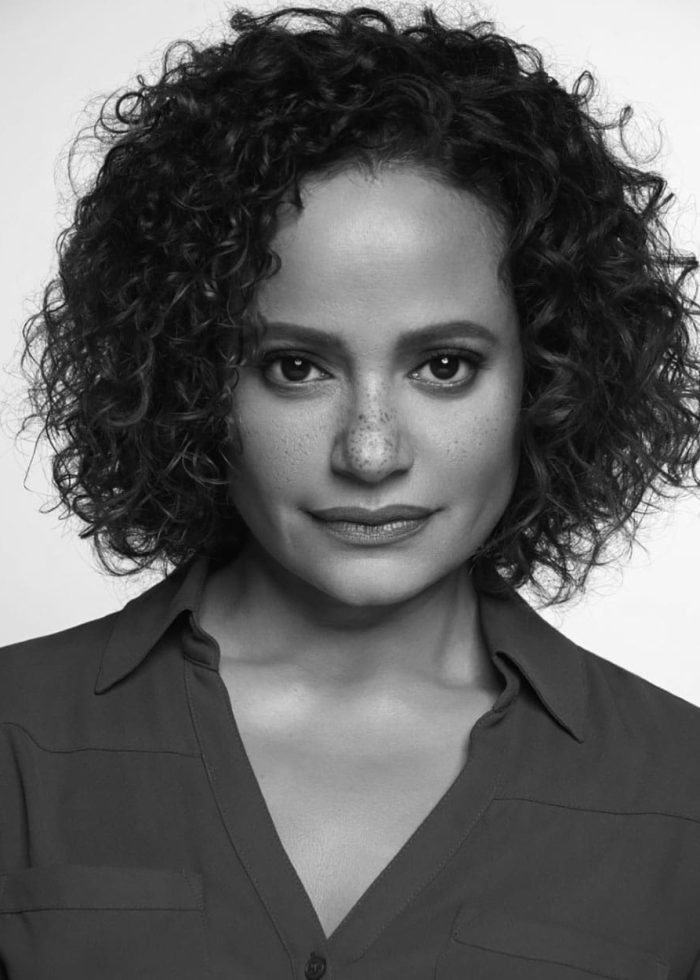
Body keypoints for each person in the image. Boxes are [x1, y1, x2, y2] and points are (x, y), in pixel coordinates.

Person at [3, 3, 700, 977]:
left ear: (550, 374)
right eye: (295, 367)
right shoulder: (18, 738)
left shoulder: (680, 794)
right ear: (188, 378)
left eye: (444, 365)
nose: (370, 452)